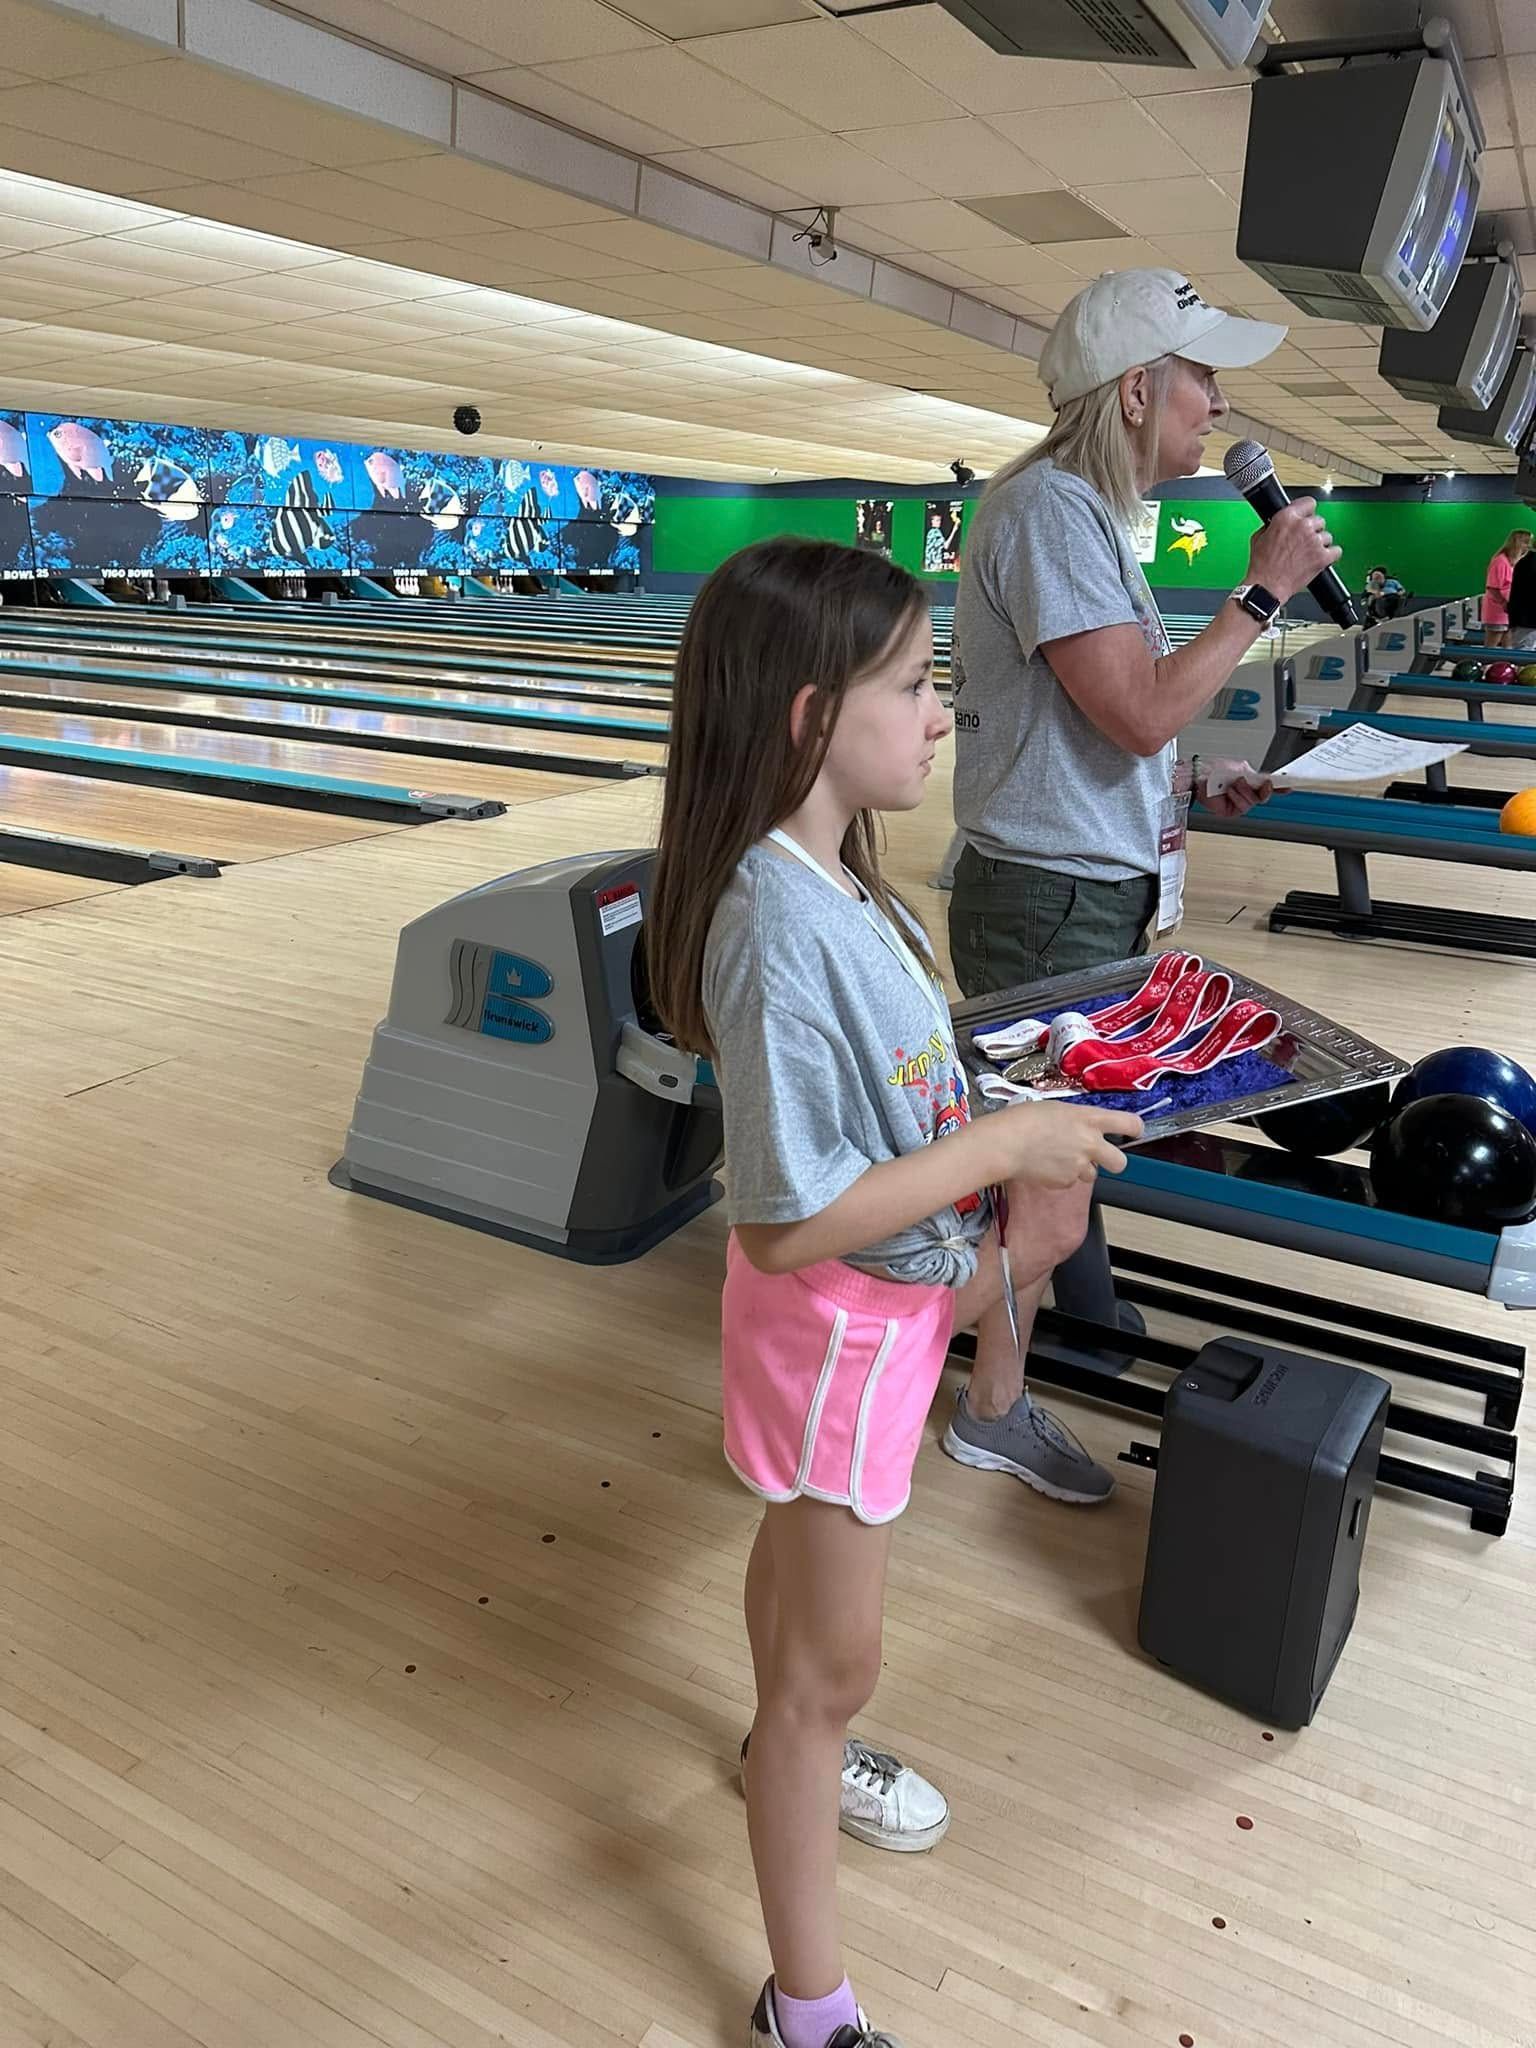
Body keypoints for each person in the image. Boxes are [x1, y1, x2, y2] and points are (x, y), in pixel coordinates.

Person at [647, 537, 1142, 2048]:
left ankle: (777, 1742)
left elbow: (889, 1111)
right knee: (838, 1668)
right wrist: (997, 1150)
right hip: (833, 1335)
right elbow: (785, 1224)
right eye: (918, 686)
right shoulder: (774, 925)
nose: (944, 714)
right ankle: (808, 2010)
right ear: (814, 716)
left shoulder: (837, 878)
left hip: (876, 1320)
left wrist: (1016, 1146)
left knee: (800, 1575)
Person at [938, 269, 1339, 1480]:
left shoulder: (1084, 518)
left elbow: (1119, 731)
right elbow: (1135, 709)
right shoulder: (1049, 511)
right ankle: (909, 1369)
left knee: (1059, 1171)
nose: (1219, 402)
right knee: (1048, 1186)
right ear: (1133, 391)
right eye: (1202, 375)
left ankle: (1009, 1371)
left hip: (1079, 894)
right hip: (1045, 905)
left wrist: (1189, 779)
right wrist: (1262, 590)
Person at [1481, 531, 1531, 646]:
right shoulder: (1500, 562)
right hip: (1498, 611)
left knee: (1508, 647)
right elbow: (1492, 588)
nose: (1527, 547)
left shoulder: (1511, 562)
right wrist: (1505, 604)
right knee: (1491, 646)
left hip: (1508, 612)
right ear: (1517, 543)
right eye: (1526, 543)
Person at [1506, 541, 1536, 651]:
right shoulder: (1530, 563)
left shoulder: (1526, 561)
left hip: (1523, 618)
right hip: (1528, 620)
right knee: (1525, 652)